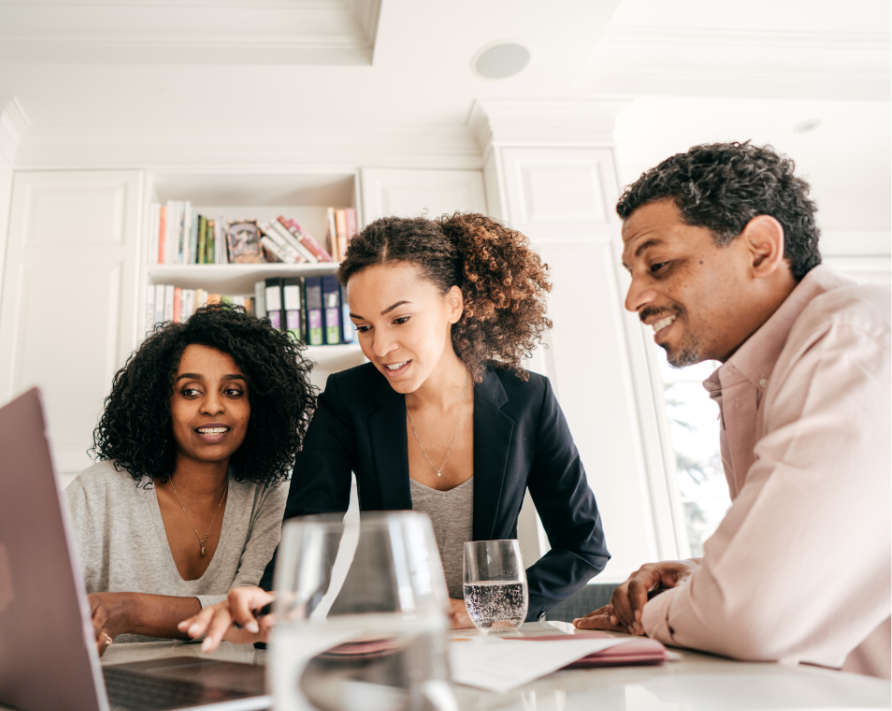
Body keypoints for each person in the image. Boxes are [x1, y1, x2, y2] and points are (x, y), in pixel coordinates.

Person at [180, 213, 610, 648]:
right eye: (363, 327)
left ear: (453, 305)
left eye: (400, 319)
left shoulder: (527, 399)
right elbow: (311, 529)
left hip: (488, 642)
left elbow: (583, 545)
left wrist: (493, 607)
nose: (380, 348)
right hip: (381, 640)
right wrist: (274, 606)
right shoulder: (346, 398)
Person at [573, 142, 891, 679]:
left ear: (762, 249)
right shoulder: (757, 375)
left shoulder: (849, 341)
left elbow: (750, 615)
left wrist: (656, 612)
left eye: (659, 264)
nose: (633, 299)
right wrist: (703, 579)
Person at [66, 303, 317, 654]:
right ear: (160, 403)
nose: (212, 407)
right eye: (190, 391)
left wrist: (126, 610)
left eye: (232, 391)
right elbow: (41, 607)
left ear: (257, 407)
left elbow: (250, 609)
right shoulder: (97, 493)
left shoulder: (269, 497)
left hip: (231, 691)